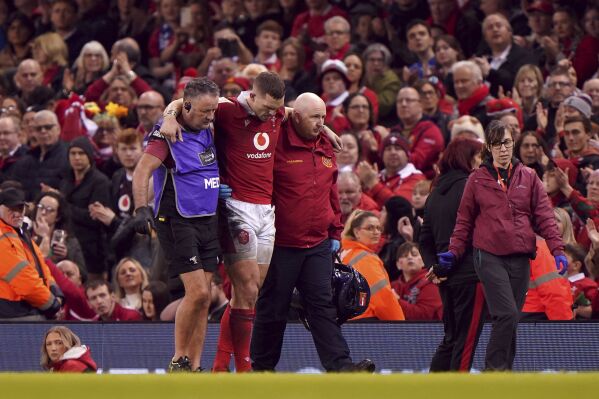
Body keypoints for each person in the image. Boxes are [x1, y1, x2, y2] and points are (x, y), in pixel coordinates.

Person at [250, 93, 375, 372]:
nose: (320, 123)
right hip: (282, 243)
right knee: (273, 308)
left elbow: (331, 192)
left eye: (323, 117)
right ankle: (261, 369)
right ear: (295, 116)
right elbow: (257, 105)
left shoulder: (325, 146)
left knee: (323, 305)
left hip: (318, 243)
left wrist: (334, 232)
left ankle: (341, 366)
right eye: (314, 117)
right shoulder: (276, 141)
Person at [440, 120, 566, 371]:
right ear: (489, 148)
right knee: (506, 314)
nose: (503, 149)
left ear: (513, 143)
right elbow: (464, 220)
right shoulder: (476, 179)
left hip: (520, 255)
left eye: (507, 142)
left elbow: (544, 215)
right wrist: (454, 251)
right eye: (497, 144)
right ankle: (493, 373)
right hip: (488, 255)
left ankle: (504, 376)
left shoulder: (529, 177)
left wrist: (557, 250)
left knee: (510, 319)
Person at [132, 77, 221, 372]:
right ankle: (178, 358)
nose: (211, 117)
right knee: (196, 293)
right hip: (177, 220)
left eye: (214, 111)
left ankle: (195, 367)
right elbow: (142, 170)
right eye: (206, 111)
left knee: (205, 298)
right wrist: (141, 208)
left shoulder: (208, 125)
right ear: (189, 106)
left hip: (208, 218)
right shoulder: (167, 136)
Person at [419, 137, 485, 371]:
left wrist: (435, 268)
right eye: (479, 156)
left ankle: (434, 392)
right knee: (466, 342)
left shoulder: (434, 193)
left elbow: (424, 239)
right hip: (470, 275)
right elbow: (472, 232)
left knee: (451, 339)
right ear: (467, 158)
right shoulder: (473, 185)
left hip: (445, 277)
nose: (483, 162)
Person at [0, 187, 63, 320]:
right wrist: (52, 304)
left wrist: (54, 291)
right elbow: (24, 278)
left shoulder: (21, 232)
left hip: (26, 309)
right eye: (11, 209)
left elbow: (41, 266)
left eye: (20, 208)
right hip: (12, 315)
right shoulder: (3, 236)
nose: (17, 214)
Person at [340, 210, 405, 321]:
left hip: (349, 321)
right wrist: (399, 324)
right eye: (370, 228)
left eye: (378, 228)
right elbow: (382, 296)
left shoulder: (345, 253)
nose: (376, 232)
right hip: (366, 322)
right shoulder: (365, 258)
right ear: (356, 232)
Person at [392, 242, 442, 320]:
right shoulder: (392, 286)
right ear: (398, 264)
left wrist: (397, 301)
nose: (409, 257)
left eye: (414, 255)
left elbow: (424, 315)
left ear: (423, 261)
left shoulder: (431, 281)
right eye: (405, 256)